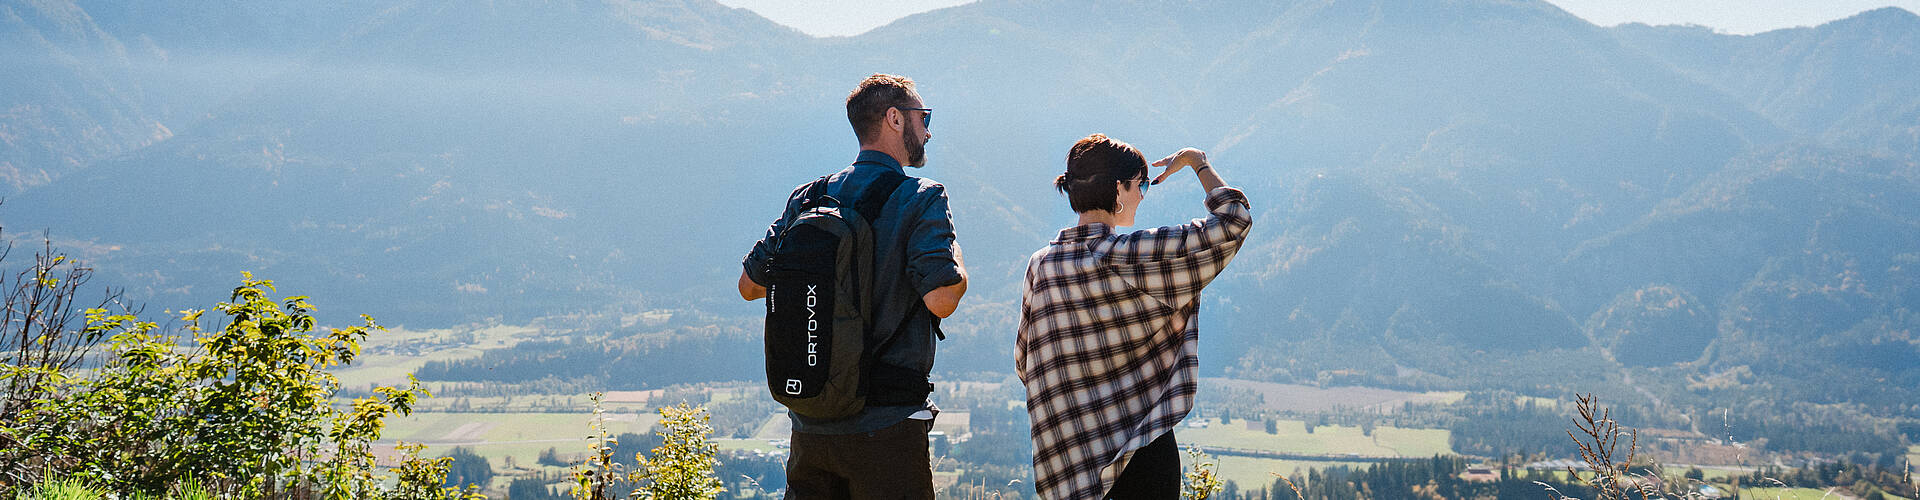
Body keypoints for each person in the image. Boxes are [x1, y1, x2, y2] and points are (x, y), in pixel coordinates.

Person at [738, 73, 968, 499]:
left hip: (811, 425)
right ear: (895, 119)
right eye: (923, 116)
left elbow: (749, 286)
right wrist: (955, 257)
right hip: (887, 428)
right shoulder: (921, 197)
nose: (928, 130)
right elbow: (942, 298)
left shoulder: (808, 197)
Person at [1016, 134, 1253, 500]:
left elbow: (1026, 362)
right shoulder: (1136, 255)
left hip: (1072, 456)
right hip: (1143, 448)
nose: (1142, 194)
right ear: (1118, 188)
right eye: (1140, 184)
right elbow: (1233, 221)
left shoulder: (1042, 266)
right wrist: (1197, 162)